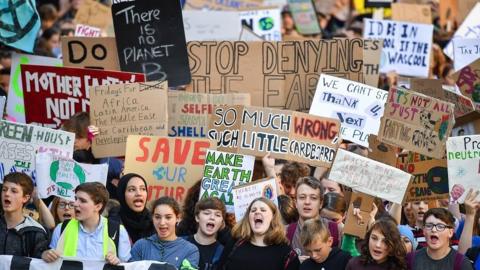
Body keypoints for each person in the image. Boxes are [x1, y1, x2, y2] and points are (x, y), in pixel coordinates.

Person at [43, 182, 131, 264]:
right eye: (76, 199)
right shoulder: (61, 228)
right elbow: (51, 264)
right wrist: (46, 255)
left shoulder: (118, 230)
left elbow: (127, 266)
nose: (75, 204)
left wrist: (117, 262)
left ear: (98, 206)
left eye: (82, 201)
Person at [220, 197, 299, 270]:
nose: (257, 212)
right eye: (253, 210)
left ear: (273, 217)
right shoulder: (235, 244)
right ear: (248, 218)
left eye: (263, 210)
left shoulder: (286, 253)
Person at [130, 196, 199, 269]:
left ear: (178, 218)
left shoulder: (190, 250)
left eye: (168, 217)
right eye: (157, 217)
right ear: (152, 218)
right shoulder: (141, 246)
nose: (162, 223)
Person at [287, 176, 342, 258]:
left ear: (320, 203)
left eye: (313, 198)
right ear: (295, 203)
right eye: (302, 197)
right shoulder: (286, 232)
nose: (307, 202)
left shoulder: (335, 229)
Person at [0, 173, 50, 257]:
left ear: (25, 198)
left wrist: (44, 255)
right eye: (4, 189)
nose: (7, 194)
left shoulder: (35, 232)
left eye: (14, 191)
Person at [407, 208, 472, 270]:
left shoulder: (461, 263)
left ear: (450, 232)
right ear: (424, 230)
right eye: (429, 226)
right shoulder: (411, 259)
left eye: (440, 226)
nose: (434, 230)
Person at [186, 197, 226, 270]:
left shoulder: (223, 253)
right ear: (197, 217)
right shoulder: (180, 243)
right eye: (207, 213)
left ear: (222, 222)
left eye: (217, 215)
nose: (212, 217)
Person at [115, 173, 154, 243]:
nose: (139, 193)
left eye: (143, 189)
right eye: (132, 190)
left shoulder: (155, 223)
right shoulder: (111, 224)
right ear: (122, 194)